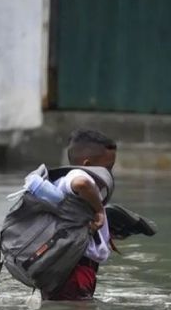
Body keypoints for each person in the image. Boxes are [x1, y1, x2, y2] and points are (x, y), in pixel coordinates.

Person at [41, 128, 117, 300]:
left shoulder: (62, 181)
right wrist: (99, 211)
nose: (110, 175)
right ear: (88, 165)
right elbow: (81, 183)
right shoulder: (79, 174)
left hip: (65, 268)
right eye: (108, 168)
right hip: (74, 271)